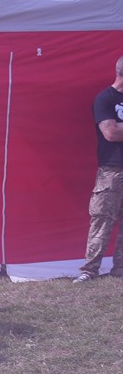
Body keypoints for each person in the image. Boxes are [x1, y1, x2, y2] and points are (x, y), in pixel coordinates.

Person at [74, 54, 123, 283]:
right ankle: (90, 270)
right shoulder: (105, 99)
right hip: (113, 170)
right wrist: (116, 127)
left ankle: (120, 268)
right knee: (102, 218)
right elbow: (111, 133)